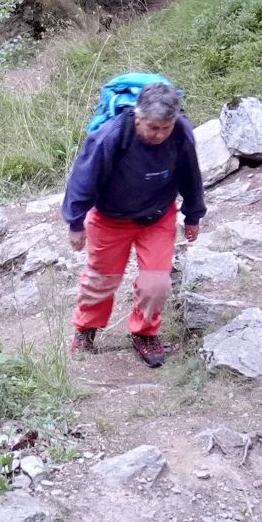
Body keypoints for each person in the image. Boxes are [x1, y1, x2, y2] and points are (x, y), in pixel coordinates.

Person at [62, 79, 206, 367]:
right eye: (153, 127)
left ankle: (144, 333)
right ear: (138, 118)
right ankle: (86, 329)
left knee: (156, 284)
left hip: (157, 218)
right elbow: (83, 179)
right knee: (101, 280)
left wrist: (193, 215)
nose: (160, 135)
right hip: (110, 219)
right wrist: (75, 222)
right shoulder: (111, 136)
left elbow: (191, 175)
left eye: (165, 128)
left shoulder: (180, 133)